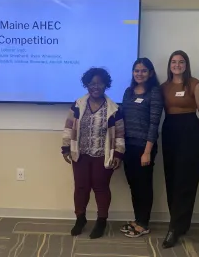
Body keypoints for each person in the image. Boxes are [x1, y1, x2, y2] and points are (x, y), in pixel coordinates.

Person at [61, 67, 125, 239]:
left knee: (101, 188)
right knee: (81, 188)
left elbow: (119, 133)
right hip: (80, 155)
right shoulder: (78, 105)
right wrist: (66, 148)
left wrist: (118, 154)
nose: (95, 87)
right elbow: (68, 127)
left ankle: (101, 221)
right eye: (92, 83)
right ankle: (80, 219)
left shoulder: (113, 109)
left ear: (105, 85)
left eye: (99, 83)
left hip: (103, 156)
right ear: (86, 85)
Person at [160, 50, 199, 247]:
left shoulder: (196, 85)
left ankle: (175, 227)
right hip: (170, 130)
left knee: (186, 179)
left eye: (181, 62)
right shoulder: (164, 87)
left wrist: (198, 138)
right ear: (169, 65)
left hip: (190, 132)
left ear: (186, 65)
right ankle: (178, 223)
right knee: (171, 177)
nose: (177, 65)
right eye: (173, 61)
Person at [119, 58, 163, 238]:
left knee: (143, 186)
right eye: (136, 70)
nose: (139, 73)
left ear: (150, 73)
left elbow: (154, 124)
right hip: (128, 147)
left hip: (144, 148)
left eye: (144, 70)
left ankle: (144, 223)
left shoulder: (154, 93)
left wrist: (146, 152)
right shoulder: (128, 92)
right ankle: (137, 219)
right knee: (134, 185)